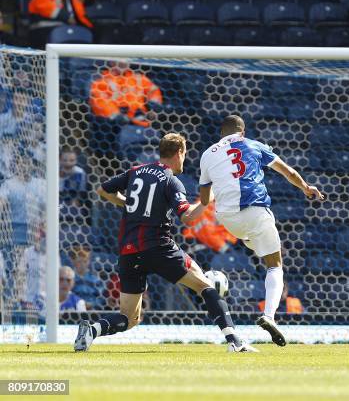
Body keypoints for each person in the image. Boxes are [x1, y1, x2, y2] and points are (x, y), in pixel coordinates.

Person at [74, 133, 257, 353]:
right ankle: (235, 341)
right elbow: (187, 217)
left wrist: (128, 204)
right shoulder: (171, 180)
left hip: (129, 252)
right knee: (206, 286)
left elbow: (103, 190)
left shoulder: (136, 171)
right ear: (179, 152)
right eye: (185, 154)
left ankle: (91, 330)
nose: (185, 159)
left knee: (129, 318)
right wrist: (205, 202)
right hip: (158, 247)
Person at [198, 115, 324, 347]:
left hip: (227, 219)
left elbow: (205, 199)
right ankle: (269, 316)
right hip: (255, 210)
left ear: (221, 134)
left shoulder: (208, 154)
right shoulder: (254, 145)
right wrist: (306, 188)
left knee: (250, 239)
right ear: (242, 133)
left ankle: (250, 242)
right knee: (275, 265)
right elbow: (288, 172)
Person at [28, 0, 95, 50]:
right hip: (44, 25)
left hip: (71, 25)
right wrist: (67, 17)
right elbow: (42, 4)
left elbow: (78, 8)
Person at [70, 246, 106, 310]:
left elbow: (101, 298)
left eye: (85, 261)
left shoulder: (95, 279)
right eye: (79, 261)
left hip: (92, 311)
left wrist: (92, 304)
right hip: (74, 310)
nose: (82, 264)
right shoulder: (70, 278)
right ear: (73, 261)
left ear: (89, 262)